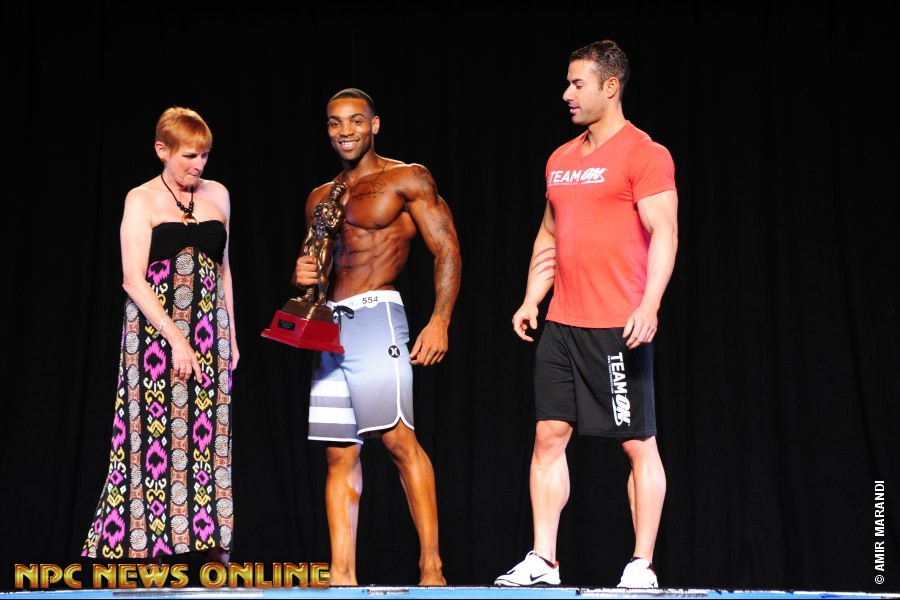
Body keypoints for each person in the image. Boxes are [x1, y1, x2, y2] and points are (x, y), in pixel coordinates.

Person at [494, 40, 678, 589]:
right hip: (562, 324)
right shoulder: (560, 159)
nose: (567, 94)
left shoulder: (645, 153)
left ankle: (641, 564)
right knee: (548, 435)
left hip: (618, 324)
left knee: (637, 444)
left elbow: (665, 232)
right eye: (568, 83)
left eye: (578, 84)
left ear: (610, 86)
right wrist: (532, 298)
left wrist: (650, 304)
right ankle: (544, 560)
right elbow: (550, 234)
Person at [292, 88, 461, 586]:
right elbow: (319, 269)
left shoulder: (407, 178)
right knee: (338, 452)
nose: (345, 131)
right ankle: (341, 574)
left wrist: (440, 320)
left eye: (355, 120)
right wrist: (303, 275)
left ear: (374, 124)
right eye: (334, 122)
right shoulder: (320, 197)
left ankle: (432, 567)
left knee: (398, 440)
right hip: (329, 325)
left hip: (377, 317)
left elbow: (447, 249)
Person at [82, 106, 239, 564]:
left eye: (204, 155)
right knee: (153, 440)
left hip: (210, 334)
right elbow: (133, 280)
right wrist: (177, 340)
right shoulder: (141, 199)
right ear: (162, 150)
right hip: (154, 338)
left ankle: (214, 552)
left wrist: (231, 335)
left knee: (210, 442)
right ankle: (144, 553)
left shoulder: (219, 195)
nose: (198, 165)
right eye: (189, 156)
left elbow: (224, 270)